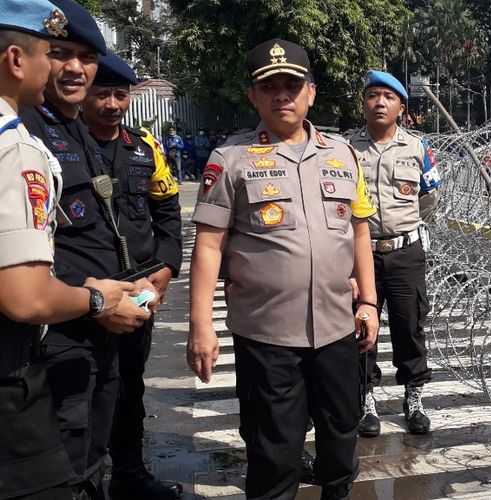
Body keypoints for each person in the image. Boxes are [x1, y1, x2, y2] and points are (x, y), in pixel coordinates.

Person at [188, 39, 379, 500]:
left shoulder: (342, 155)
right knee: (274, 450)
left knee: (341, 437)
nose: (282, 96)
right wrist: (201, 326)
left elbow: (358, 233)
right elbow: (209, 244)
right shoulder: (229, 160)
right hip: (266, 335)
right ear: (253, 96)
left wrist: (369, 302)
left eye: (291, 85)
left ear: (310, 92)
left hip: (336, 328)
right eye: (269, 87)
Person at [0, 3, 146, 498]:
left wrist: (136, 279)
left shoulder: (77, 129)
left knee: (92, 452)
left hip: (98, 323)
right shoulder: (24, 133)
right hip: (53, 336)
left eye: (86, 57)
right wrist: (99, 300)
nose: (72, 68)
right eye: (58, 53)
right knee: (61, 461)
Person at [80, 52, 184, 500]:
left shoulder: (146, 147)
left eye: (120, 95)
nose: (111, 104)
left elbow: (168, 210)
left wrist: (166, 265)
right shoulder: (62, 144)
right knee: (83, 392)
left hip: (140, 290)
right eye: (101, 94)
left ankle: (129, 473)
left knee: (129, 385)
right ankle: (85, 483)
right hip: (83, 295)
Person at [349, 70, 442, 438]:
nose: (380, 102)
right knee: (360, 327)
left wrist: (405, 229)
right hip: (361, 253)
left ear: (401, 107)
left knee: (410, 325)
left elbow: (430, 198)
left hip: (406, 252)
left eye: (388, 97)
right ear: (364, 103)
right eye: (373, 95)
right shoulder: (347, 149)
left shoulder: (417, 149)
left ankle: (413, 398)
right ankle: (365, 399)